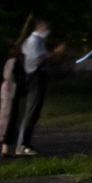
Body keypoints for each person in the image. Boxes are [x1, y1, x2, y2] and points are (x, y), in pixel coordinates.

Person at [14, 19, 58, 155]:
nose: (47, 29)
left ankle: (24, 143)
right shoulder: (34, 41)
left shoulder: (37, 41)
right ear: (39, 27)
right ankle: (22, 145)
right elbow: (37, 59)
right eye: (45, 26)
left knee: (33, 112)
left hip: (37, 77)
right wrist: (55, 53)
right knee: (31, 111)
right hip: (34, 77)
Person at [0, 41, 22, 157]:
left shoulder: (6, 61)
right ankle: (5, 147)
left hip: (5, 88)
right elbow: (13, 78)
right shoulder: (15, 62)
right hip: (10, 88)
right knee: (10, 116)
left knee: (3, 116)